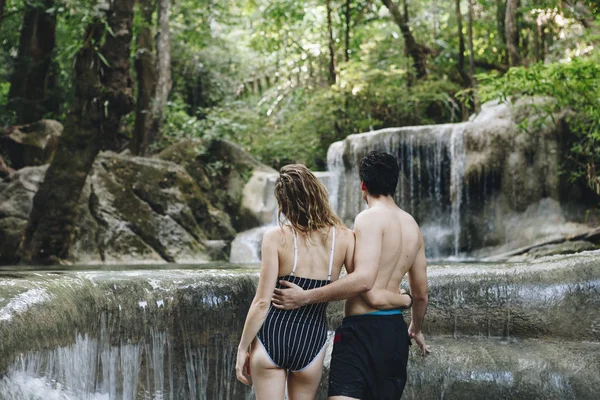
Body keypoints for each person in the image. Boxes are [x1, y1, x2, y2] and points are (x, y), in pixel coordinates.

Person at [271, 150, 429, 400]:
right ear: (394, 183)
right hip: (395, 334)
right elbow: (421, 294)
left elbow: (364, 280)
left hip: (361, 332)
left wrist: (305, 297)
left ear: (363, 185)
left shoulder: (367, 218)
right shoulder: (413, 226)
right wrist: (415, 328)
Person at [234, 164, 356, 399]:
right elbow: (358, 282)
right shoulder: (344, 237)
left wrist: (243, 348)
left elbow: (262, 303)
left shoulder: (275, 237)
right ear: (318, 193)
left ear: (284, 203)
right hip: (311, 342)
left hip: (272, 336)